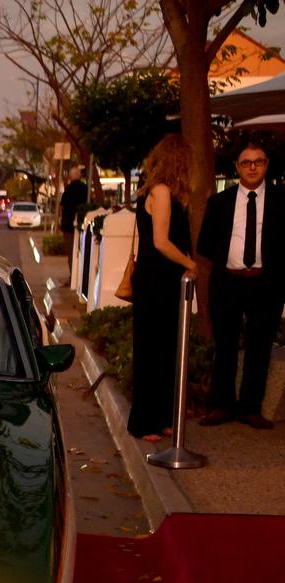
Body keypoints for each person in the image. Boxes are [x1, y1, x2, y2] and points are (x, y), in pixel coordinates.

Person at [197, 140, 283, 430]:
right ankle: (221, 406)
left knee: (259, 347)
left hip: (266, 284)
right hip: (228, 283)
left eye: (258, 161)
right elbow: (205, 245)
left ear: (266, 165)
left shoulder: (281, 200)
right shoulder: (220, 202)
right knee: (225, 346)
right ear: (237, 167)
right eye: (246, 163)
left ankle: (250, 408)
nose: (252, 167)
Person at [127, 134, 199, 441]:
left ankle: (160, 417)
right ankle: (144, 421)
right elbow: (160, 242)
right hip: (156, 281)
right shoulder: (161, 191)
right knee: (152, 351)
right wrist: (189, 263)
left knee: (166, 350)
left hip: (161, 281)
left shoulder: (160, 191)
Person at [60, 166, 89, 258]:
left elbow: (62, 205)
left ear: (71, 176)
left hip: (68, 224)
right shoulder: (85, 188)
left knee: (71, 251)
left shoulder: (68, 189)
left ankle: (72, 270)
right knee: (81, 250)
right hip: (82, 223)